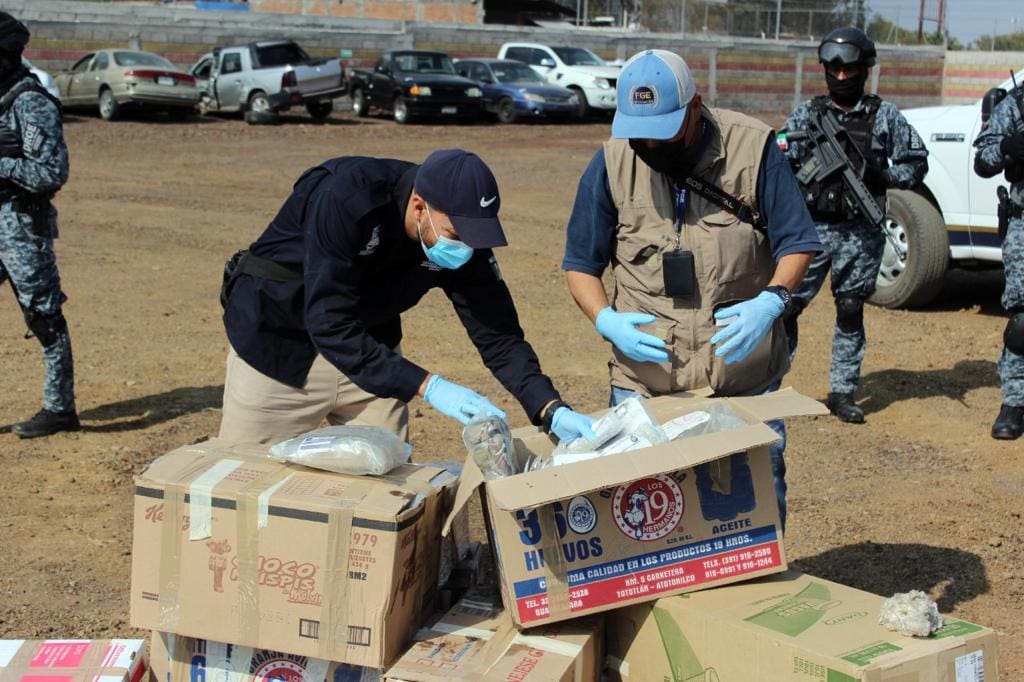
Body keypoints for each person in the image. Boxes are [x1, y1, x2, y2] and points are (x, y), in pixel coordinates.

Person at [561, 49, 822, 528]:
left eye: (663, 132)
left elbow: (799, 242)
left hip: (742, 381)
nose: (649, 145)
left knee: (755, 514)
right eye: (639, 133)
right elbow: (580, 264)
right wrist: (605, 319)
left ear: (695, 107)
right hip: (646, 386)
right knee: (649, 521)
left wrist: (772, 301)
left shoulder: (754, 150)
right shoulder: (612, 162)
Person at [219, 148, 595, 447]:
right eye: (455, 234)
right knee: (250, 485)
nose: (465, 247)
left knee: (386, 487)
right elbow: (328, 322)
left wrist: (548, 407)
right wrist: (431, 386)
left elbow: (498, 334)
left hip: (372, 357)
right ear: (419, 206)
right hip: (280, 348)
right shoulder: (347, 198)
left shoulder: (466, 235)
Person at [782, 27, 928, 424]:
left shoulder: (885, 116)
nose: (842, 77)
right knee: (787, 307)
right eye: (834, 70)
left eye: (849, 70)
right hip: (810, 230)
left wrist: (883, 175)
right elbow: (779, 162)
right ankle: (771, 384)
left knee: (850, 309)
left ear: (865, 70)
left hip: (860, 232)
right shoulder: (807, 114)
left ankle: (842, 392)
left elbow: (917, 163)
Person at [0, 12, 77, 438]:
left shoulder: (30, 102)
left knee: (43, 316)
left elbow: (51, 172)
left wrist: (3, 164)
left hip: (20, 224)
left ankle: (59, 409)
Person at [973, 82, 1024, 440]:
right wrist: (1007, 146)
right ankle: (1015, 403)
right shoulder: (1018, 104)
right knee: (1022, 322)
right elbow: (982, 161)